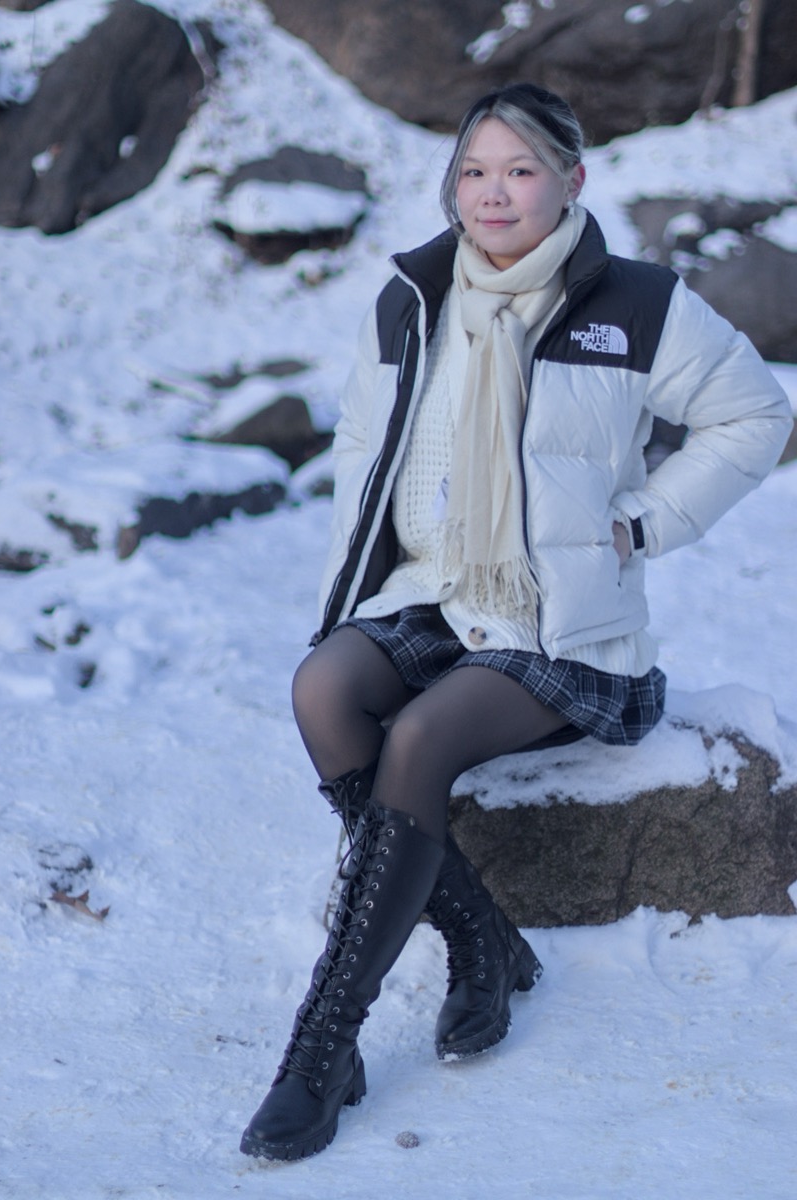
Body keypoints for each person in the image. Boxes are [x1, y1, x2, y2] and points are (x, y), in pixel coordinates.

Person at [239, 83, 792, 1162]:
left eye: (520, 170)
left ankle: (321, 1049)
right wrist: (367, 577)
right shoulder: (411, 298)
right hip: (433, 594)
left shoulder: (634, 303)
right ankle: (485, 942)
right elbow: (362, 446)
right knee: (323, 688)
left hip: (560, 628)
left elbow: (755, 412)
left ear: (571, 182)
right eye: (474, 171)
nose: (492, 194)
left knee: (417, 740)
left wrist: (643, 522)